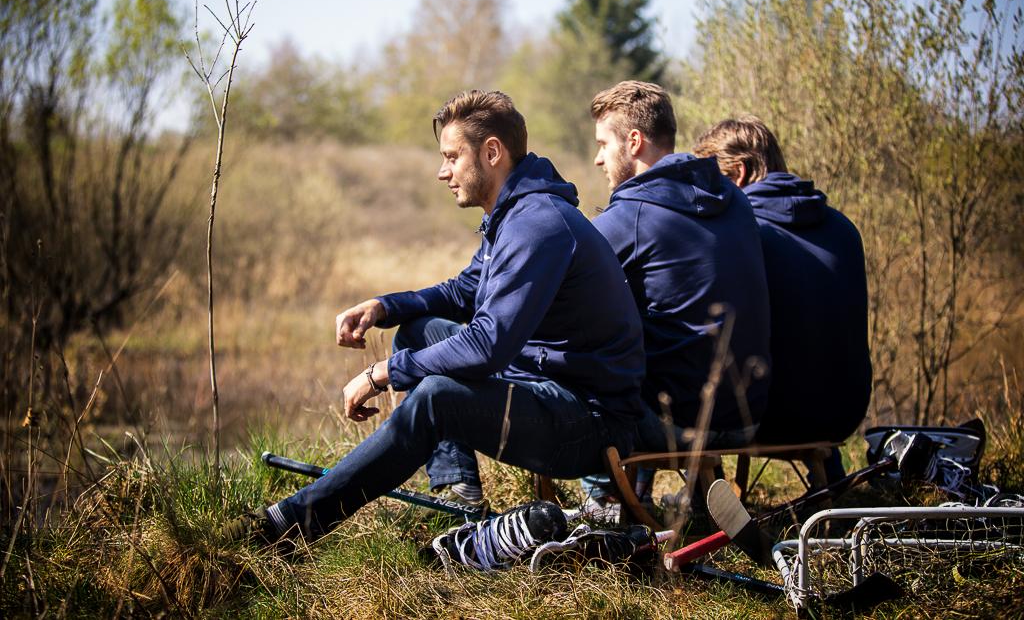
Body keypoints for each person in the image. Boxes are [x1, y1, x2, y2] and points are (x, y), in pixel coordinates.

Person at [221, 90, 646, 544]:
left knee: (438, 396)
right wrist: (386, 306)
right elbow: (466, 291)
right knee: (418, 333)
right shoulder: (515, 212)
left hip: (592, 425)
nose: (442, 171)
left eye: (451, 157)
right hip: (547, 388)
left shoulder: (537, 223)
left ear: (492, 152)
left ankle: (293, 524)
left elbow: (488, 345)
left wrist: (382, 372)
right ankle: (458, 493)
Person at [582, 81, 772, 508]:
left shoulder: (630, 214)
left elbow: (559, 281)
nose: (597, 159)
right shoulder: (735, 202)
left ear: (634, 141)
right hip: (748, 417)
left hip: (677, 424)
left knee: (585, 344)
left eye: (602, 144)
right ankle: (664, 492)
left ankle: (603, 501)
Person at [693, 116, 871, 481]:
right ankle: (829, 475)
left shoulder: (740, 235)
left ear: (738, 173)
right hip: (845, 412)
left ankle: (692, 499)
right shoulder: (843, 226)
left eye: (710, 178)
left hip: (769, 416)